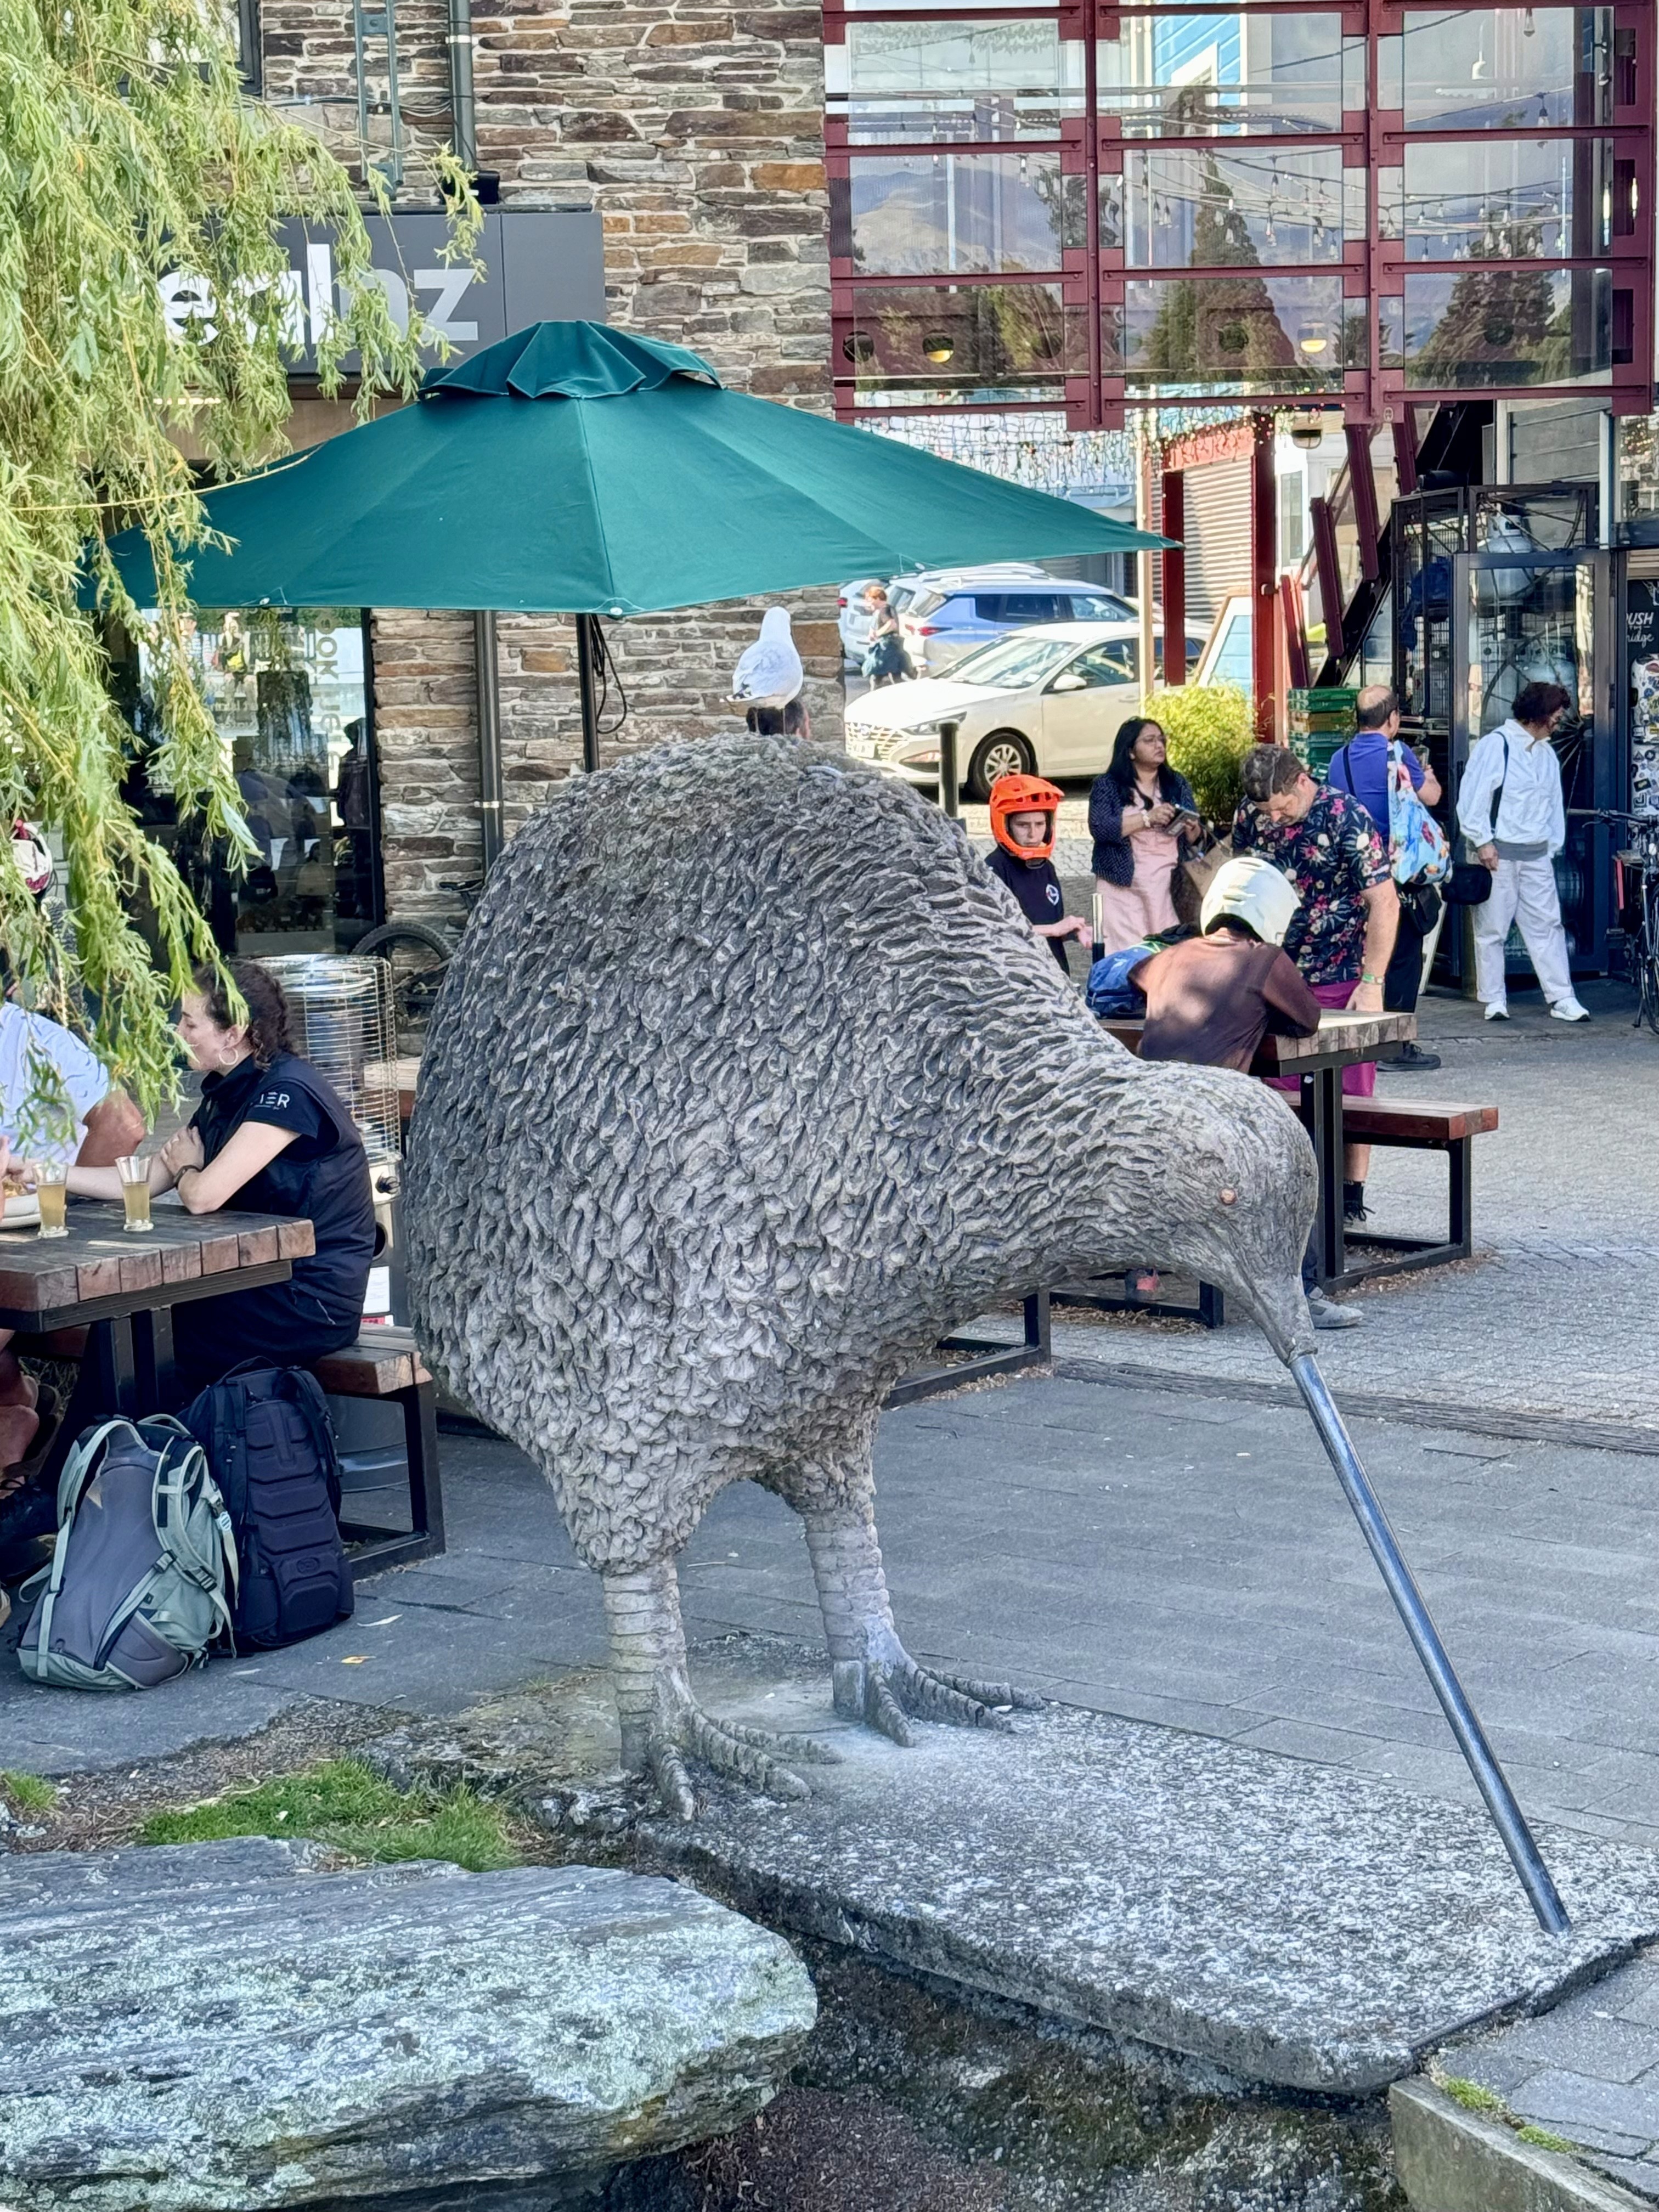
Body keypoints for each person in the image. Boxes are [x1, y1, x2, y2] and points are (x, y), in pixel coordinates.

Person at [32, 961, 375, 1402]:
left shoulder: (288, 1093)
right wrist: (46, 1173)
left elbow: (201, 1196)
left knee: (156, 1337)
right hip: (255, 1283)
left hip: (310, 1299)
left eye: (190, 1022)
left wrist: (190, 1169)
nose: (178, 1031)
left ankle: (126, 1459)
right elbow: (146, 1178)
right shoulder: (225, 1091)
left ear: (233, 1034)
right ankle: (106, 1462)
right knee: (127, 1326)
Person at [1130, 855, 1358, 1331]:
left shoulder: (1171, 957)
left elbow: (1138, 978)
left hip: (1148, 1116)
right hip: (1215, 1119)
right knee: (1298, 1163)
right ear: (1271, 915)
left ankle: (1142, 1272)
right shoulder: (1263, 960)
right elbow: (1308, 1018)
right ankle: (1306, 1290)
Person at [1232, 743, 1398, 1228]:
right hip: (1272, 969)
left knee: (1352, 1086)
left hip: (1339, 968)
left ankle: (1351, 1194)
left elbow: (1384, 904)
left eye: (1283, 806)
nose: (1276, 818)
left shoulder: (1347, 817)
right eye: (1267, 811)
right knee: (1274, 1083)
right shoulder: (1253, 814)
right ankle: (1287, 1189)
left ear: (1302, 781)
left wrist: (1372, 980)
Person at [1456, 681, 1590, 1024]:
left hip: (1535, 853)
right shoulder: (1495, 746)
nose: (1560, 723)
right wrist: (1483, 842)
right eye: (1556, 717)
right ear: (1540, 716)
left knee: (1548, 926)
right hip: (1499, 853)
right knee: (1493, 929)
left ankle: (1562, 996)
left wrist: (1552, 846)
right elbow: (1473, 798)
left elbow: (1553, 805)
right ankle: (1494, 998)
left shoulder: (1545, 753)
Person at [1325, 685, 1443, 1072]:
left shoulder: (1337, 759)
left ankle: (1357, 1036)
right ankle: (1396, 1044)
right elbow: (1432, 798)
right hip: (1396, 870)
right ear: (1392, 719)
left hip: (1353, 870)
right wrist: (1427, 775)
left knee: (1364, 954)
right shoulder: (1398, 753)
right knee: (1404, 954)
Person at [1088, 716, 1202, 953]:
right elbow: (1100, 828)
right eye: (1150, 741)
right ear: (1130, 751)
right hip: (1121, 887)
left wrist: (1192, 830)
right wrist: (1147, 818)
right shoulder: (1107, 785)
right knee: (1125, 955)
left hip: (1168, 885)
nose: (1159, 746)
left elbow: (1195, 838)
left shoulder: (1176, 782)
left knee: (1168, 954)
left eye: (1161, 740)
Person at [983, 774, 1092, 972]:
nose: (1033, 834)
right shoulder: (993, 869)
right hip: (1017, 975)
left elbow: (1046, 925)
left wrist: (1072, 932)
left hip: (1052, 972)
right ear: (1005, 825)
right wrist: (1054, 929)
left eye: (1040, 824)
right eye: (1023, 825)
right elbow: (996, 929)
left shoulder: (1045, 867)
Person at [861, 588, 911, 687]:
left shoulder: (884, 610)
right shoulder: (881, 611)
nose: (867, 602)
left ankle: (874, 695)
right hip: (891, 645)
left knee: (877, 673)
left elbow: (892, 624)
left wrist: (878, 633)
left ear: (878, 598)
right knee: (895, 675)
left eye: (870, 599)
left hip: (887, 646)